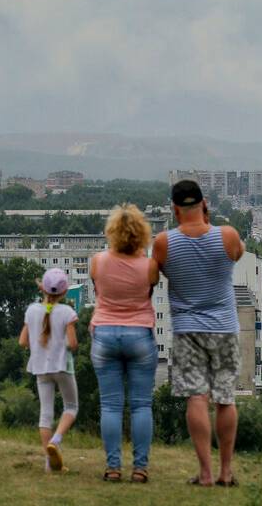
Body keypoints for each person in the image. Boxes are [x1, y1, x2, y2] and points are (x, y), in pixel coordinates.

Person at [153, 180, 245, 488]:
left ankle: (205, 473)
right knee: (225, 398)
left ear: (174, 208)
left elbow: (155, 273)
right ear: (204, 203)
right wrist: (208, 221)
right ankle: (226, 472)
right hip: (224, 327)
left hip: (187, 329)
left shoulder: (164, 242)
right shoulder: (227, 235)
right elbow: (238, 253)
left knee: (197, 396)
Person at [88, 204, 159, 483]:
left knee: (110, 406)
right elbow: (150, 288)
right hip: (139, 334)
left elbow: (98, 288)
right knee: (141, 405)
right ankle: (140, 468)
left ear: (112, 232)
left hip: (105, 334)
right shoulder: (149, 266)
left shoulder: (98, 262)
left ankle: (113, 467)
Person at [18, 267, 79, 473]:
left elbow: (22, 341)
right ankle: (56, 440)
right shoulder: (67, 312)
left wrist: (39, 346)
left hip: (40, 368)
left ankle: (49, 463)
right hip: (63, 367)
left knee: (45, 415)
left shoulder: (31, 310)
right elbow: (73, 344)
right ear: (64, 292)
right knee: (71, 407)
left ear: (42, 288)